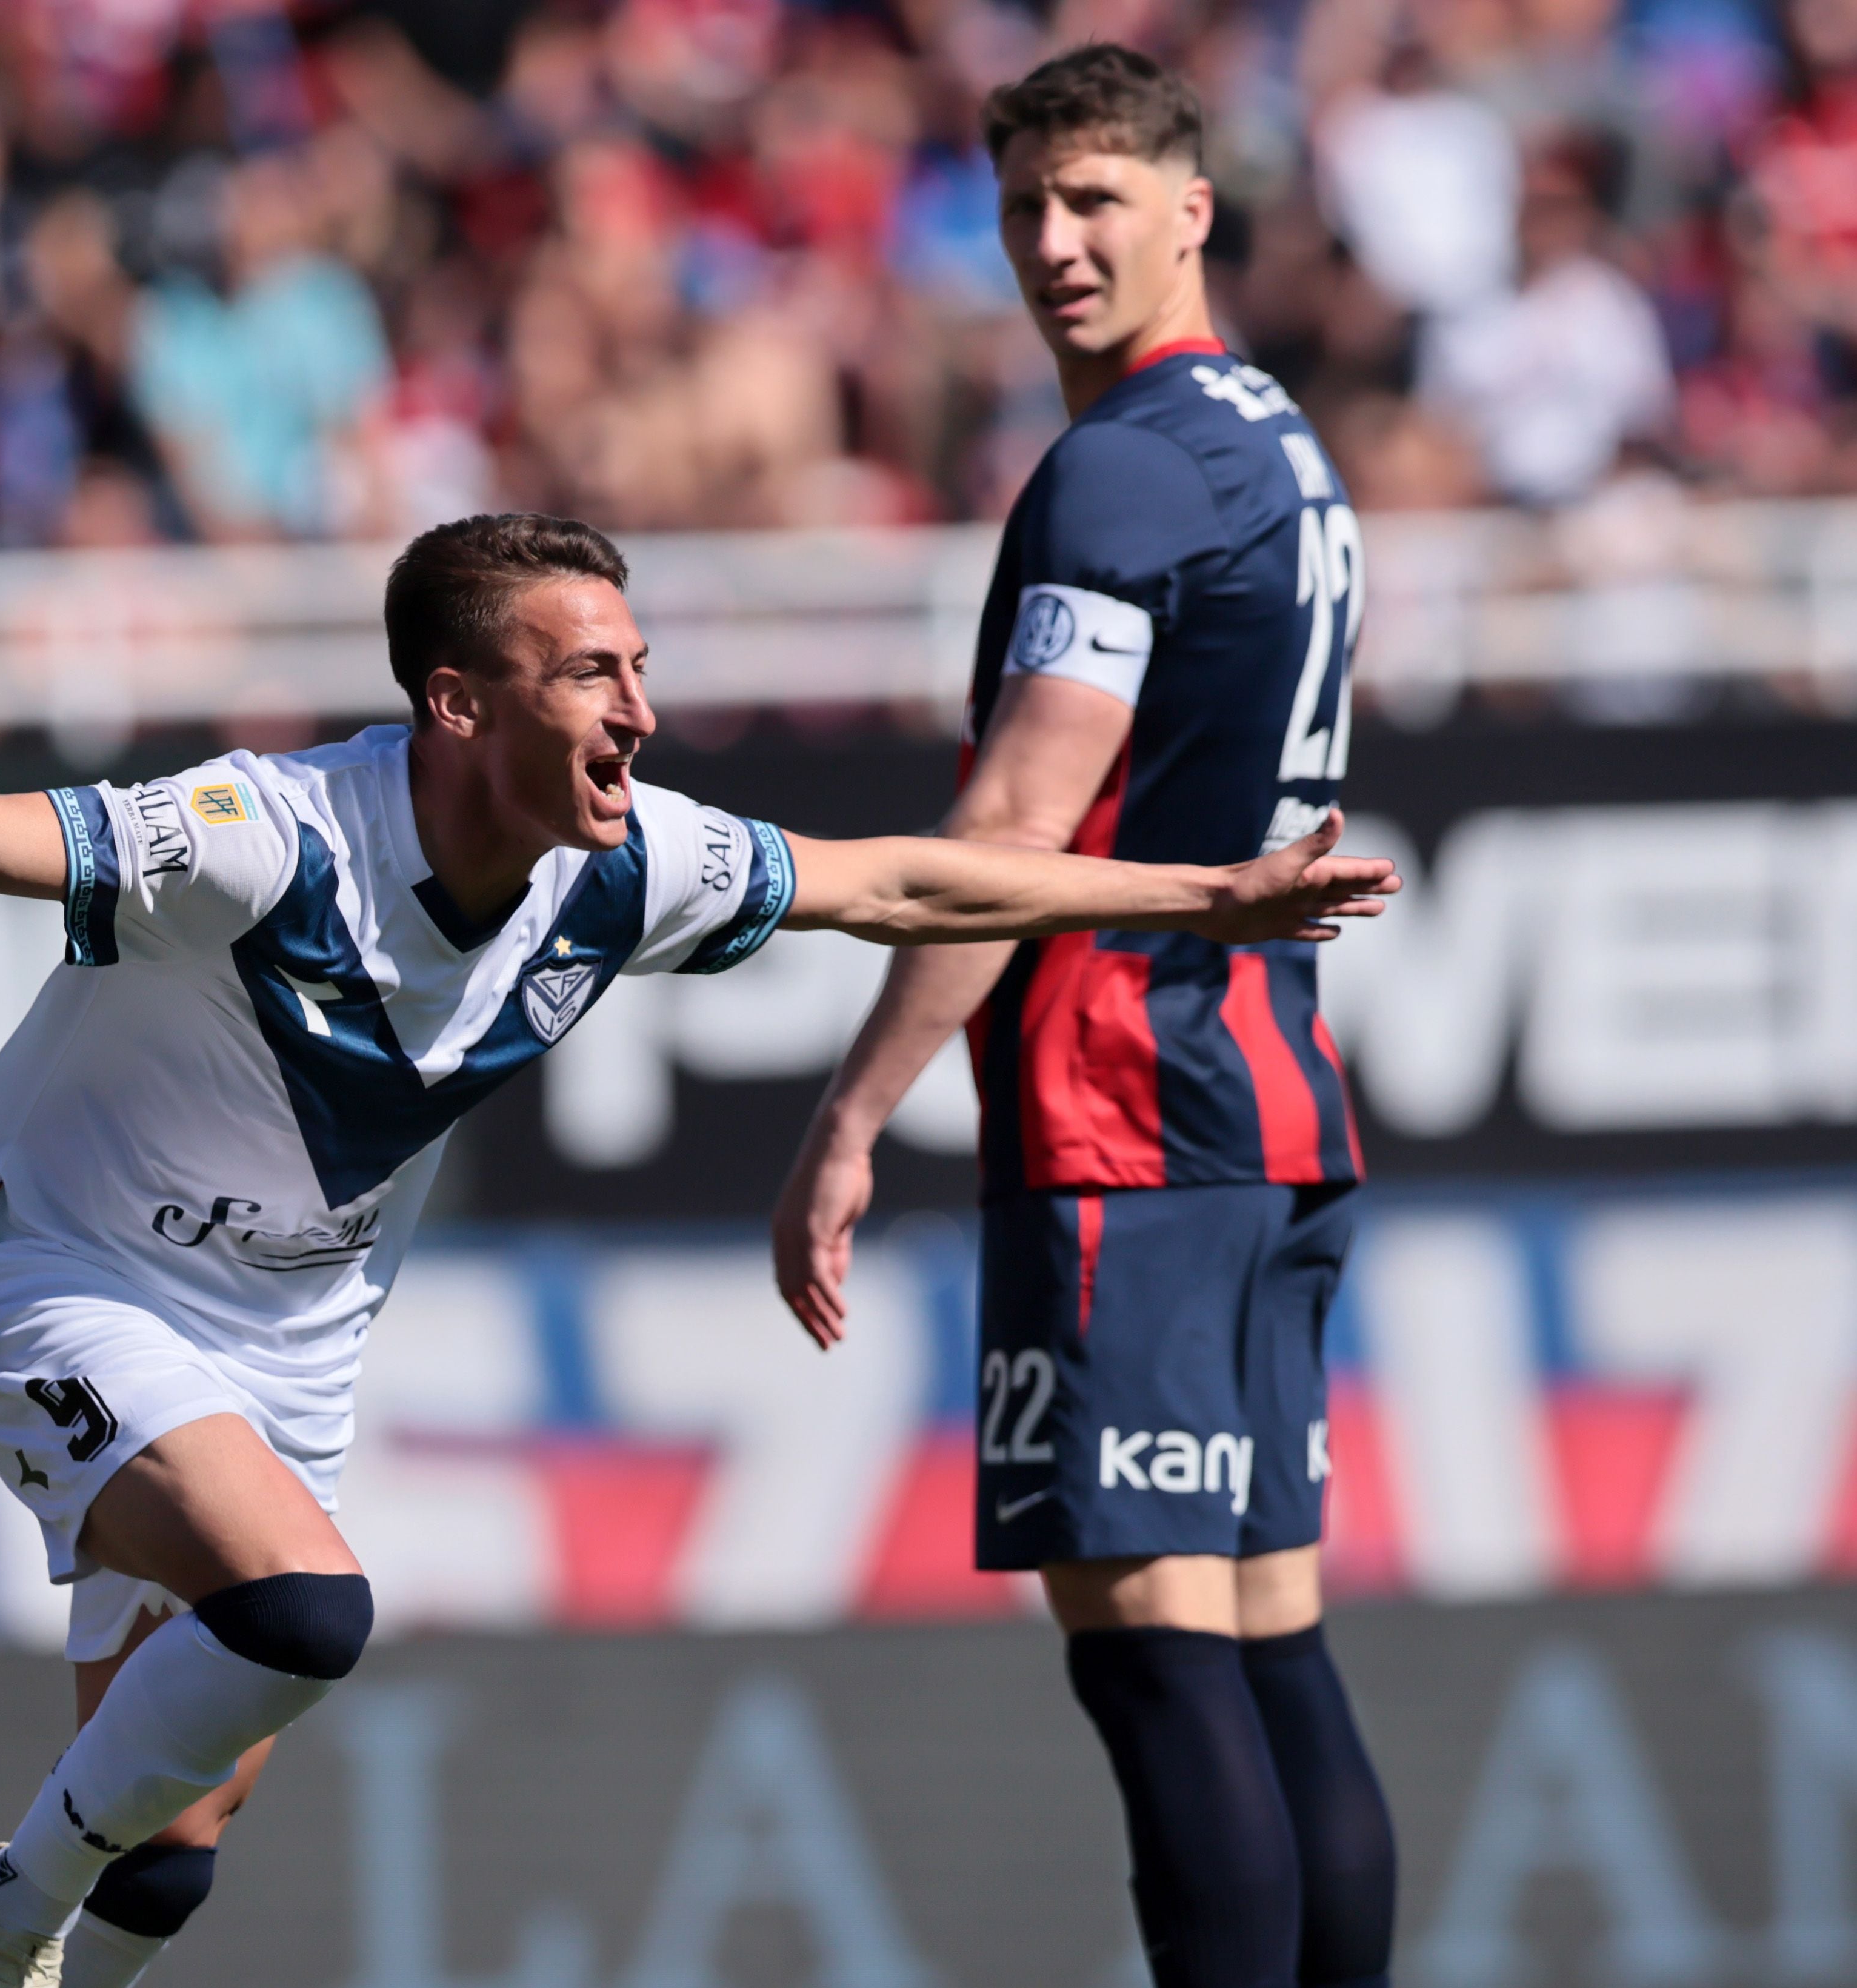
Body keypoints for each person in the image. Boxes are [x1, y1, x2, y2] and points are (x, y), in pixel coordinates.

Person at [0, 512, 1394, 1988]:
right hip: (63, 1272)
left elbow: (892, 881)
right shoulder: (263, 834)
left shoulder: (630, 869)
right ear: (458, 702)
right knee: (308, 1614)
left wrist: (1199, 884)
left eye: (635, 663)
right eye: (590, 670)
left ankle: (42, 1915)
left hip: (293, 1336)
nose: (638, 705)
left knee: (174, 1848)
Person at [770, 47, 1398, 1988]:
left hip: (1127, 1107)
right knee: (1267, 1640)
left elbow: (1018, 818)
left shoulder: (1120, 467)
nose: (1053, 243)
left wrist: (859, 1103)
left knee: (1149, 1665)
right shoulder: (1273, 438)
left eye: (1097, 200)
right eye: (1027, 206)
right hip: (1274, 1101)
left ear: (1190, 211)